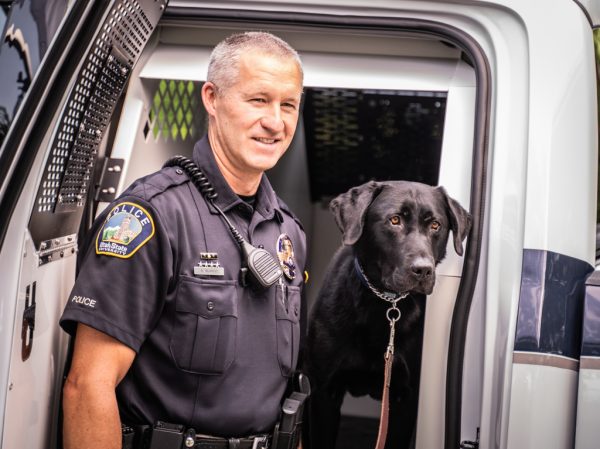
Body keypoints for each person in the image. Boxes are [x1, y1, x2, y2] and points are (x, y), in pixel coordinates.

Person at [60, 31, 307, 449]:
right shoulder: (150, 216)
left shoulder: (289, 232)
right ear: (212, 98)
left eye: (289, 105)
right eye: (258, 100)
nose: (275, 122)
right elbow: (88, 386)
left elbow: (284, 392)